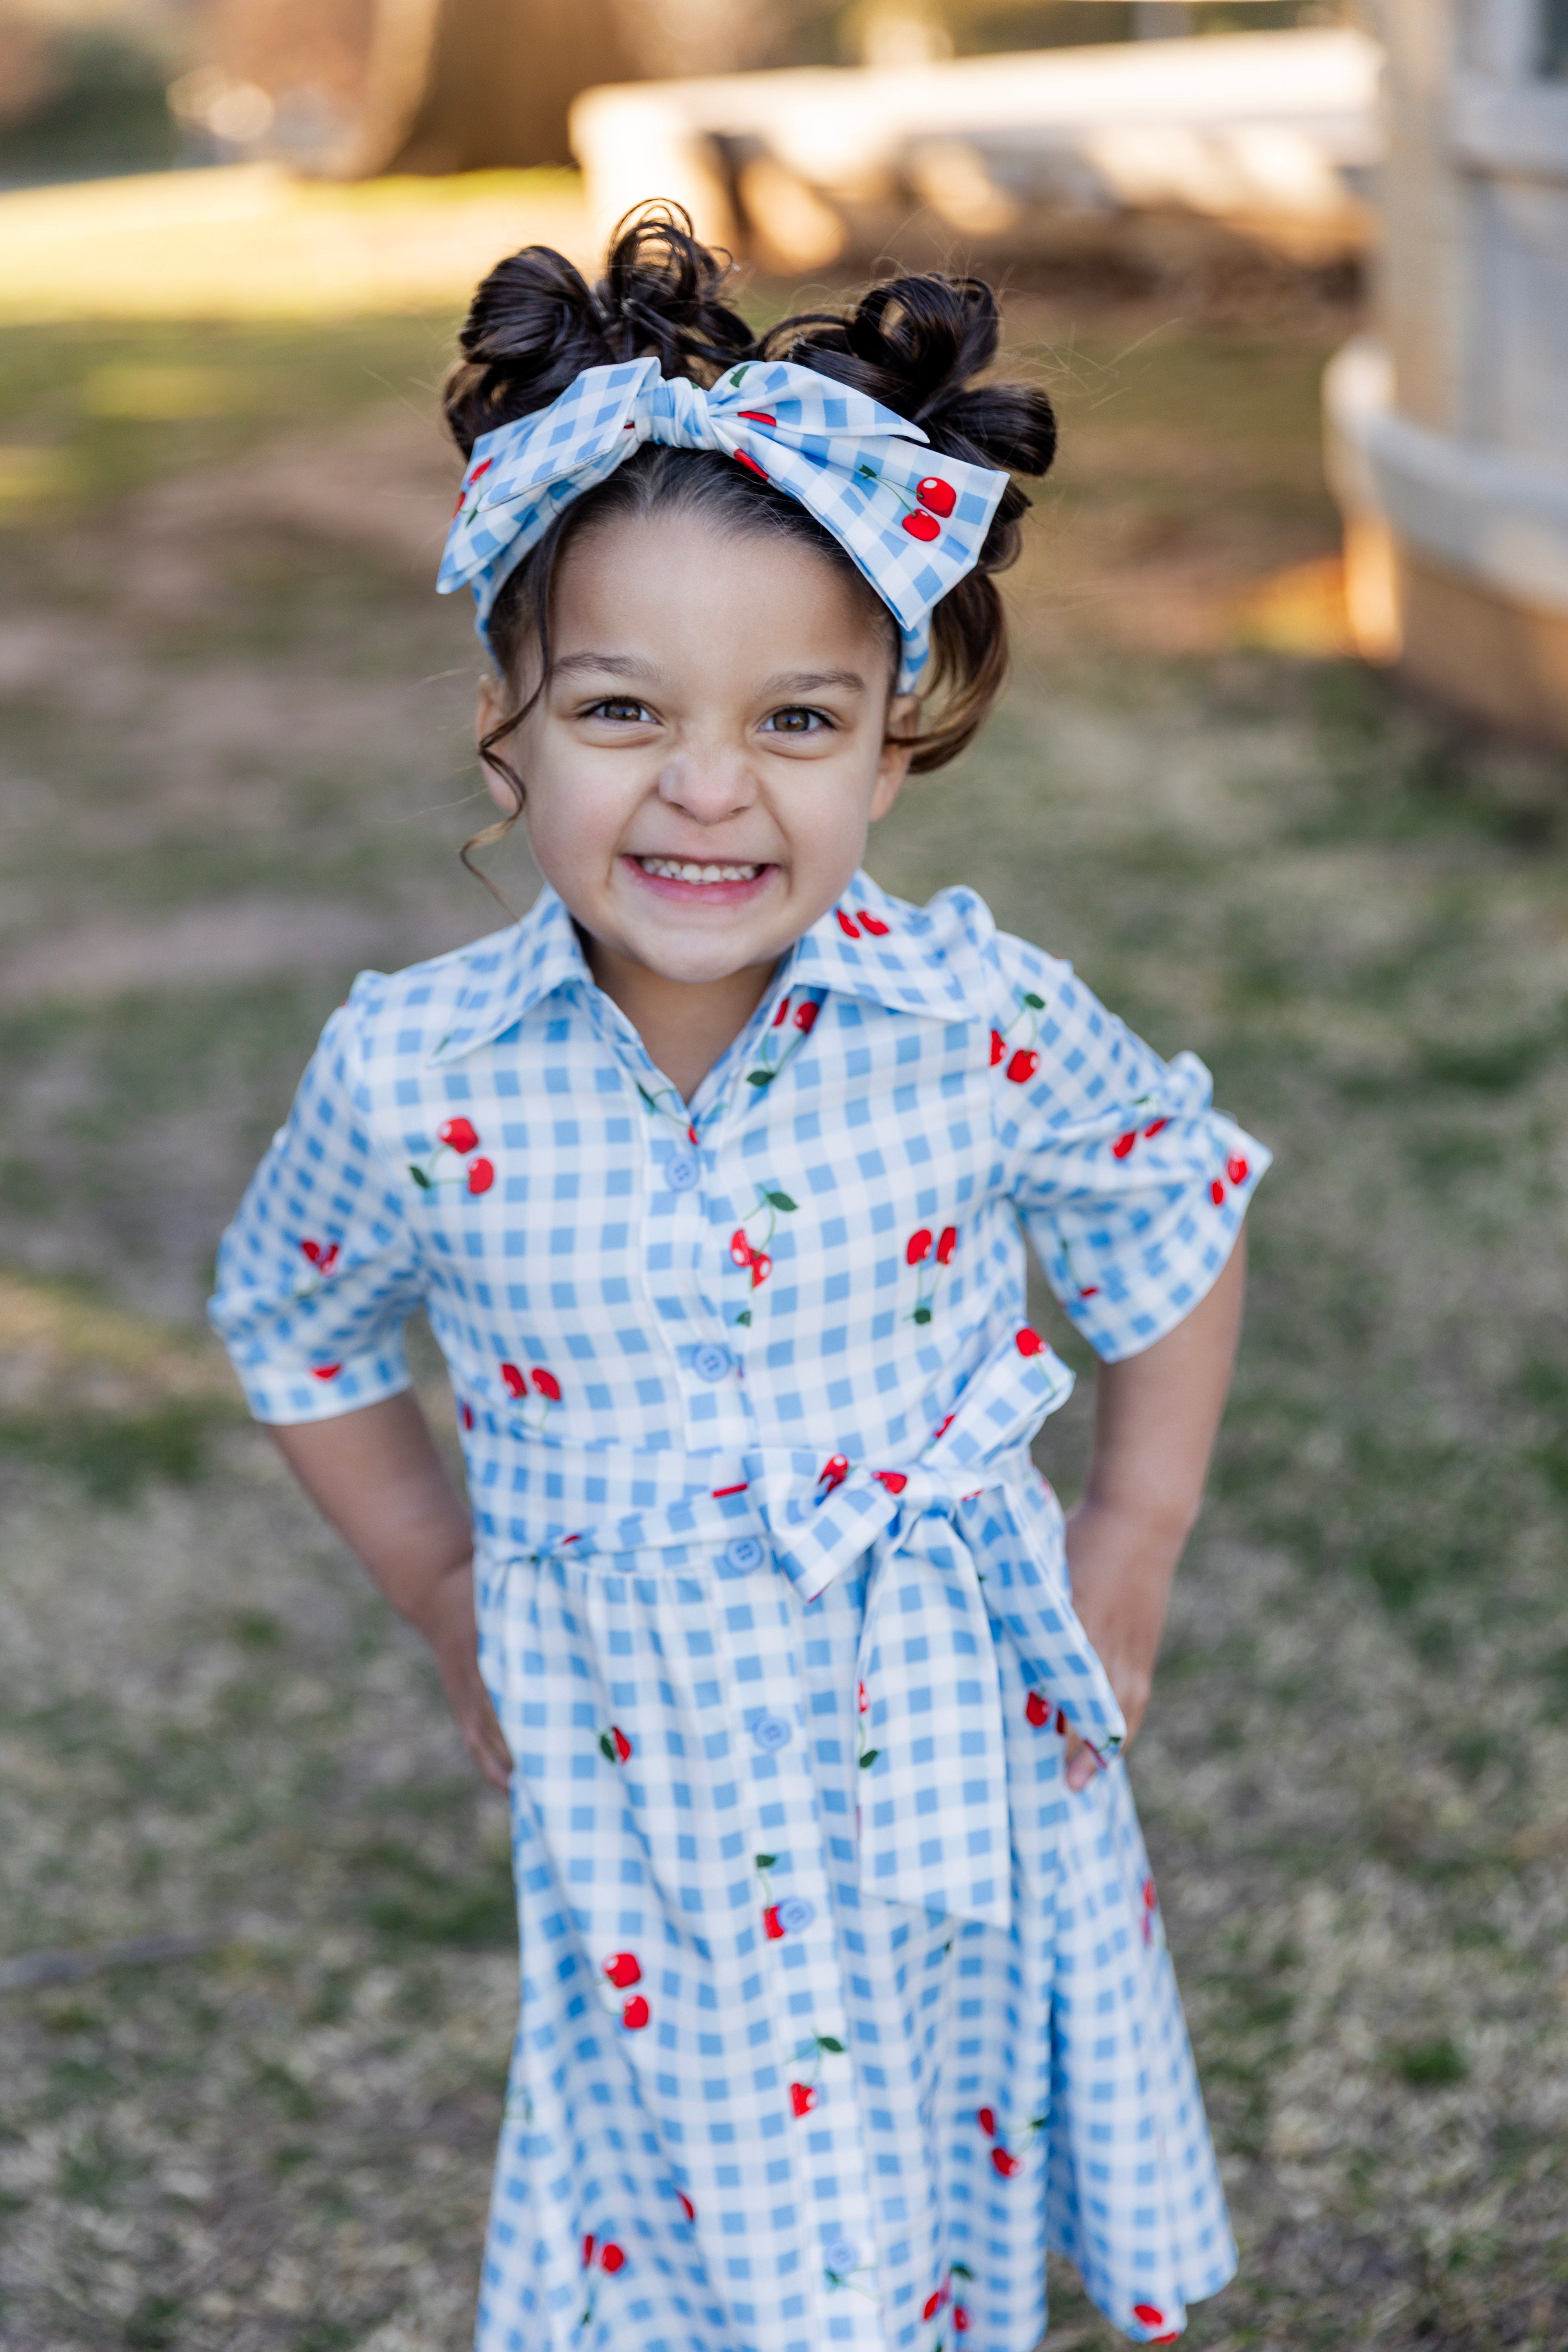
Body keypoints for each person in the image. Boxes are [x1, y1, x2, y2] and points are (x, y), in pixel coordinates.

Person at [209, 206, 1267, 2352]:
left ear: (897, 740)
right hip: (646, 1793)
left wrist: (1135, 1531)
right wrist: (440, 1596)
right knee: (709, 2222)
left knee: (944, 2159)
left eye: (797, 719)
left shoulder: (975, 1021)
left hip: (959, 1736)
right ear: (508, 719)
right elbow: (296, 1322)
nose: (708, 788)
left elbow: (1174, 1204)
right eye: (622, 708)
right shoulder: (416, 1073)